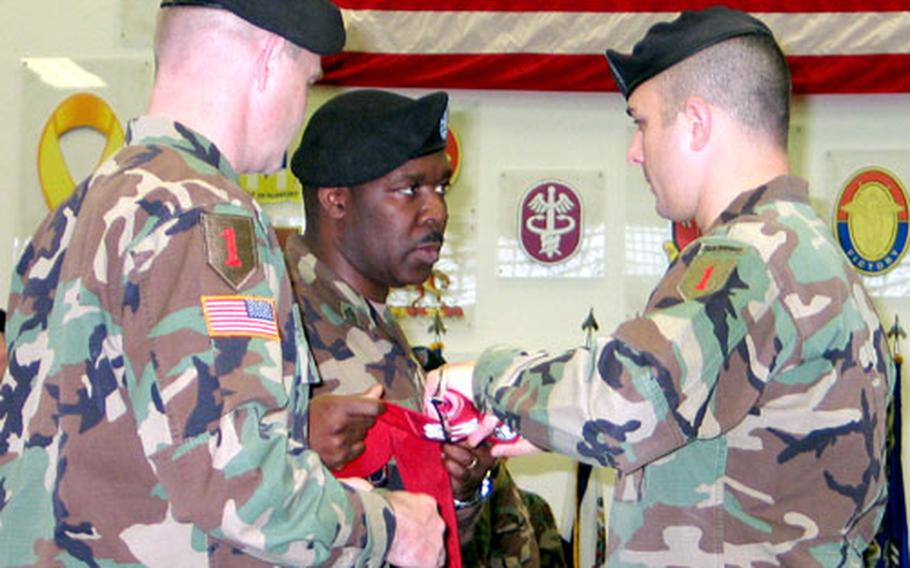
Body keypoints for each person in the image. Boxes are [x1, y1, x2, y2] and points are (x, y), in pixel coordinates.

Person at [443, 6, 895, 566]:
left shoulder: (746, 258)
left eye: (642, 122)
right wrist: (539, 425)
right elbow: (721, 443)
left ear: (697, 123)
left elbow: (626, 397)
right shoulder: (806, 249)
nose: (635, 151)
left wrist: (484, 377)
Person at [0, 2, 445, 566]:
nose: (300, 107)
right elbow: (241, 482)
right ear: (267, 62)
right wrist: (389, 527)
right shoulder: (205, 213)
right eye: (306, 80)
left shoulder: (78, 210)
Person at [284, 88, 567, 567]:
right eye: (409, 189)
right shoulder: (281, 321)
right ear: (336, 200)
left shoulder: (372, 325)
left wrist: (462, 488)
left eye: (442, 188)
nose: (436, 211)